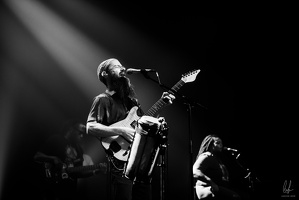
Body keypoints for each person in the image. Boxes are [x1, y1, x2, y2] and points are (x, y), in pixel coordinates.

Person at [86, 58, 175, 200]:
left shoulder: (132, 102)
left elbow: (142, 123)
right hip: (119, 164)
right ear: (105, 74)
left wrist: (162, 105)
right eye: (116, 66)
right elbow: (90, 127)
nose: (122, 69)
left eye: (122, 66)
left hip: (139, 164)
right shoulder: (102, 99)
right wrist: (121, 130)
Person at [34, 119, 106, 200]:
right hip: (51, 189)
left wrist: (95, 171)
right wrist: (53, 159)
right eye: (79, 133)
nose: (81, 136)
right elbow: (37, 156)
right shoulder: (56, 139)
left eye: (82, 134)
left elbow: (77, 173)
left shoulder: (79, 149)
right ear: (71, 130)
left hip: (68, 192)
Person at [193, 134, 245, 200]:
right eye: (217, 143)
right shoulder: (206, 156)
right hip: (207, 188)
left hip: (216, 187)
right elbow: (195, 171)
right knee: (235, 197)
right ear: (210, 145)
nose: (221, 145)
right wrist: (211, 182)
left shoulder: (216, 158)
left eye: (221, 143)